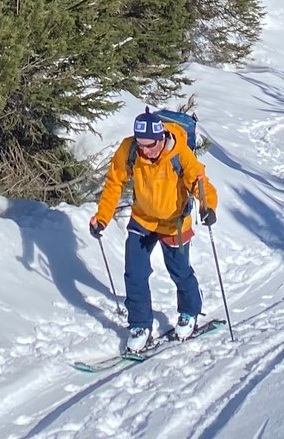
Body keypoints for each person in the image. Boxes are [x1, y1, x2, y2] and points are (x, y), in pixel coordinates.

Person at [89, 111, 218, 353]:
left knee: (180, 271)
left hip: (174, 222)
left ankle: (189, 311)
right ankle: (140, 326)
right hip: (143, 220)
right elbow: (114, 182)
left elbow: (199, 182)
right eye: (140, 145)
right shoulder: (129, 149)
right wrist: (103, 217)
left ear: (161, 139)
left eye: (149, 146)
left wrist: (207, 206)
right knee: (134, 273)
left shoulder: (179, 153)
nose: (144, 151)